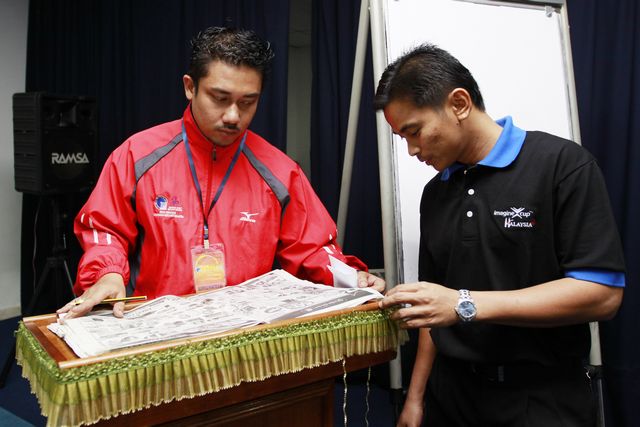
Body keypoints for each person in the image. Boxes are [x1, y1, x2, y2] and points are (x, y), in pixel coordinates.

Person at [374, 43, 625, 427]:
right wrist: (416, 397)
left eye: (415, 131)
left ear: (459, 104)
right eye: (402, 138)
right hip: (452, 397)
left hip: (540, 398)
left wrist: (465, 303)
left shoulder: (562, 166)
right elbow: (434, 305)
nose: (411, 150)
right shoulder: (436, 193)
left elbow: (602, 294)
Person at [58, 27, 384, 320]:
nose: (233, 116)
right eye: (220, 98)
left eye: (248, 102)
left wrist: (350, 276)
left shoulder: (280, 171)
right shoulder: (136, 155)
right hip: (157, 328)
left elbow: (311, 248)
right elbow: (105, 228)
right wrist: (108, 273)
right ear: (190, 87)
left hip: (243, 334)